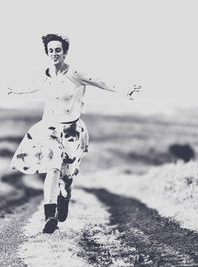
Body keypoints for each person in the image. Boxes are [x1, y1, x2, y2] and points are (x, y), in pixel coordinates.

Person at [8, 33, 128, 234]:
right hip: (49, 129)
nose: (54, 53)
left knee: (68, 176)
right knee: (52, 168)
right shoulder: (44, 75)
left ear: (65, 52)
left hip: (72, 131)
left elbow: (102, 82)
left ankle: (65, 197)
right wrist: (12, 90)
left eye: (58, 50)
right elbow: (28, 87)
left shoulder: (75, 74)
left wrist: (126, 90)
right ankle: (50, 216)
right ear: (47, 53)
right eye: (51, 50)